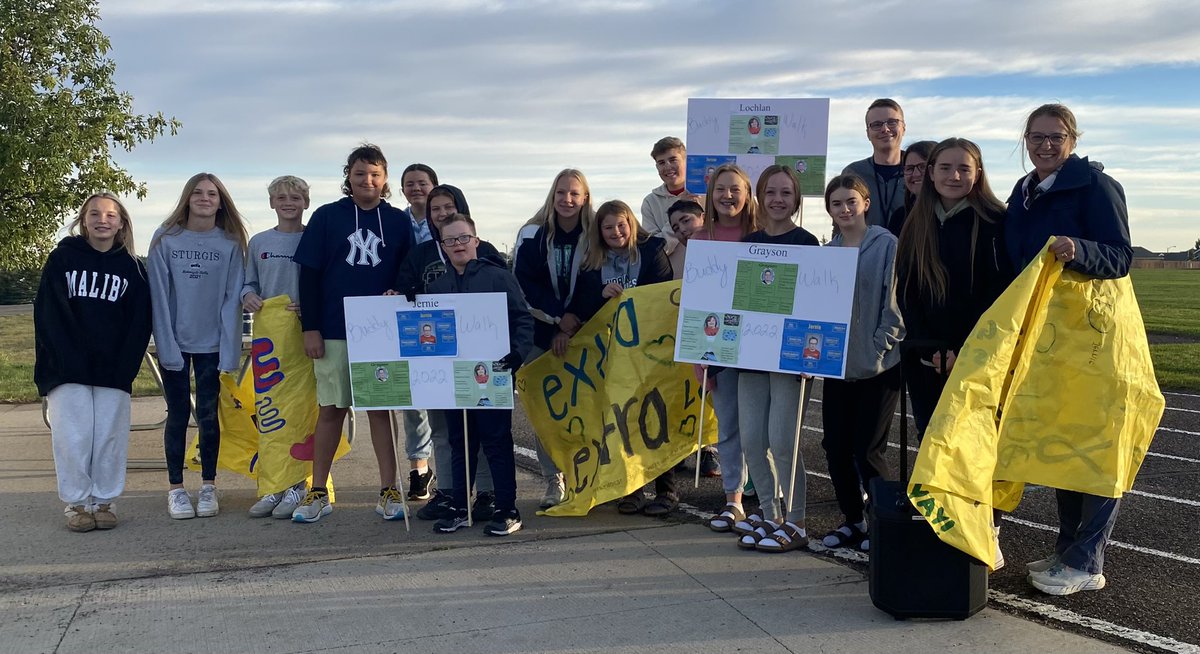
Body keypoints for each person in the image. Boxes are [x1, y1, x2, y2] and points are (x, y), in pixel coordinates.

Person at [1005, 103, 1134, 596]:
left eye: (1055, 137)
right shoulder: (1024, 192)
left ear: (1073, 140)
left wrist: (1080, 249)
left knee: (1097, 447)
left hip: (1094, 338)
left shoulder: (1097, 186)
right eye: (1036, 137)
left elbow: (1121, 255)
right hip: (1048, 338)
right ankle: (1067, 549)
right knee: (1063, 443)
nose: (1045, 146)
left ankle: (1087, 559)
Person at [290, 144, 415, 523]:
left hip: (380, 333)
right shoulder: (328, 217)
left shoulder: (396, 221)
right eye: (360, 173)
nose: (367, 180)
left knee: (380, 409)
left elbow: (408, 270)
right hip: (333, 329)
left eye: (375, 174)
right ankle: (318, 490)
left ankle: (389, 489)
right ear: (349, 176)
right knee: (331, 409)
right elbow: (308, 276)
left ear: (385, 179)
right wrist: (310, 327)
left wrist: (400, 291)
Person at [35, 193, 152, 532]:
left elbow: (139, 322)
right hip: (66, 367)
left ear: (122, 223)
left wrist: (125, 364)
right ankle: (76, 504)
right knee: (73, 436)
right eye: (95, 214)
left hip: (113, 369)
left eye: (111, 215)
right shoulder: (62, 259)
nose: (103, 220)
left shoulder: (131, 267)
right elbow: (48, 314)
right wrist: (64, 358)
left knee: (109, 437)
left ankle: (104, 500)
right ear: (84, 220)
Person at [392, 184, 502, 521]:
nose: (441, 214)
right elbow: (405, 288)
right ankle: (452, 491)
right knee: (442, 427)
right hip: (436, 354)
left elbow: (501, 291)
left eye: (448, 207)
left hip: (478, 352)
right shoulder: (422, 254)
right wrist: (399, 293)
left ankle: (486, 492)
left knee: (481, 426)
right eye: (435, 209)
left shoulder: (485, 249)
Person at [148, 173, 249, 520]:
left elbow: (232, 299)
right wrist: (166, 344)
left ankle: (208, 486)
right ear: (187, 198)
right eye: (198, 193)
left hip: (212, 345)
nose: (205, 198)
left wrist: (229, 350)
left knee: (208, 415)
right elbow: (159, 297)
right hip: (175, 341)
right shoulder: (165, 239)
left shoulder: (231, 243)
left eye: (212, 194)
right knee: (177, 414)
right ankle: (176, 489)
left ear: (221, 202)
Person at [896, 138, 1011, 439]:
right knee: (932, 443)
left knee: (973, 447)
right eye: (945, 167)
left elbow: (997, 293)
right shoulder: (914, 222)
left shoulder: (995, 221)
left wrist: (962, 350)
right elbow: (906, 293)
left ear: (979, 173)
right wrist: (931, 349)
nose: (954, 176)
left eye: (964, 168)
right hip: (926, 361)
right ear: (931, 172)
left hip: (975, 358)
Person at [566, 200, 675, 516]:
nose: (616, 232)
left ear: (632, 224)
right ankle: (632, 489)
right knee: (624, 420)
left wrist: (634, 294)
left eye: (621, 224)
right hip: (612, 355)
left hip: (651, 351)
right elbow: (581, 307)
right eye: (608, 226)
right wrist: (600, 297)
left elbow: (664, 293)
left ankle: (666, 490)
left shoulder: (652, 250)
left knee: (657, 417)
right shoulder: (591, 262)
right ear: (599, 231)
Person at [428, 213, 534, 536]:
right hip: (454, 380)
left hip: (493, 376)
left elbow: (523, 320)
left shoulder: (498, 277)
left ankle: (507, 508)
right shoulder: (437, 286)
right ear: (442, 246)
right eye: (450, 240)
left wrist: (515, 356)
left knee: (496, 442)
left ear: (475, 240)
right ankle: (460, 506)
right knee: (460, 442)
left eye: (463, 238)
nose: (457, 245)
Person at [732, 165, 819, 553]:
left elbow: (816, 304)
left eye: (786, 193)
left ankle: (796, 522)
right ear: (760, 197)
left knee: (783, 442)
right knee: (752, 441)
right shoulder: (748, 242)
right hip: (751, 354)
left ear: (796, 199)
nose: (778, 200)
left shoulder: (808, 242)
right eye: (771, 192)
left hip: (789, 359)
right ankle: (771, 516)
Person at [819, 174, 904, 552]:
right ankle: (852, 520)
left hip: (879, 368)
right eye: (837, 203)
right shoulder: (829, 252)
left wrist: (877, 349)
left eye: (851, 201)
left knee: (868, 450)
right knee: (835, 448)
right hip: (837, 367)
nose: (844, 209)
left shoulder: (886, 244)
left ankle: (879, 524)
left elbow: (896, 304)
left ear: (865, 203)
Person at [513, 169, 595, 509]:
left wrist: (573, 320)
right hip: (541, 332)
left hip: (586, 332)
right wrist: (559, 320)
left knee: (587, 408)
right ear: (552, 195)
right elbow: (523, 284)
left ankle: (590, 477)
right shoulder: (532, 233)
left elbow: (599, 277)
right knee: (546, 410)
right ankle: (553, 479)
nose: (567, 200)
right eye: (561, 193)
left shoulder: (595, 234)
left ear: (586, 197)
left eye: (575, 193)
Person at [241, 175, 312, 519]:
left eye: (295, 197)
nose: (288, 202)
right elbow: (248, 282)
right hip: (270, 339)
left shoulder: (315, 238)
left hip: (304, 336)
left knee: (302, 411)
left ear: (305, 203)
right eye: (281, 197)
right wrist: (248, 296)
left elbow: (325, 281)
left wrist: (312, 305)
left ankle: (300, 484)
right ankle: (273, 486)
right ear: (271, 203)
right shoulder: (259, 242)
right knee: (271, 412)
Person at [693, 163, 757, 533]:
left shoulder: (762, 237)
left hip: (760, 349)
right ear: (710, 194)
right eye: (720, 189)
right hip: (719, 350)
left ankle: (769, 499)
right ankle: (733, 499)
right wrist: (697, 362)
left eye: (735, 189)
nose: (727, 196)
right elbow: (694, 305)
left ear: (747, 195)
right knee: (729, 427)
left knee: (761, 431)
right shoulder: (700, 240)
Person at [396, 163, 439, 503]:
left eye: (422, 183)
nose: (416, 188)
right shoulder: (397, 223)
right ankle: (419, 469)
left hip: (445, 315)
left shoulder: (450, 219)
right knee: (413, 397)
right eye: (409, 184)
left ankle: (460, 473)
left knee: (450, 395)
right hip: (408, 313)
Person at [842, 98, 907, 229]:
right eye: (876, 124)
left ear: (903, 128)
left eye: (892, 122)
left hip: (913, 248)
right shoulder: (853, 173)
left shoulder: (918, 171)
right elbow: (840, 222)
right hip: (865, 249)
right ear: (868, 133)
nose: (885, 129)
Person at [640, 137, 689, 258]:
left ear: (686, 161)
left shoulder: (706, 195)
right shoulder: (650, 202)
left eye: (673, 160)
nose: (668, 167)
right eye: (661, 163)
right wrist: (680, 211)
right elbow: (655, 249)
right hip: (671, 275)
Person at [887, 140, 936, 237]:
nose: (916, 174)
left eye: (923, 167)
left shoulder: (956, 215)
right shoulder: (899, 217)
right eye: (910, 168)